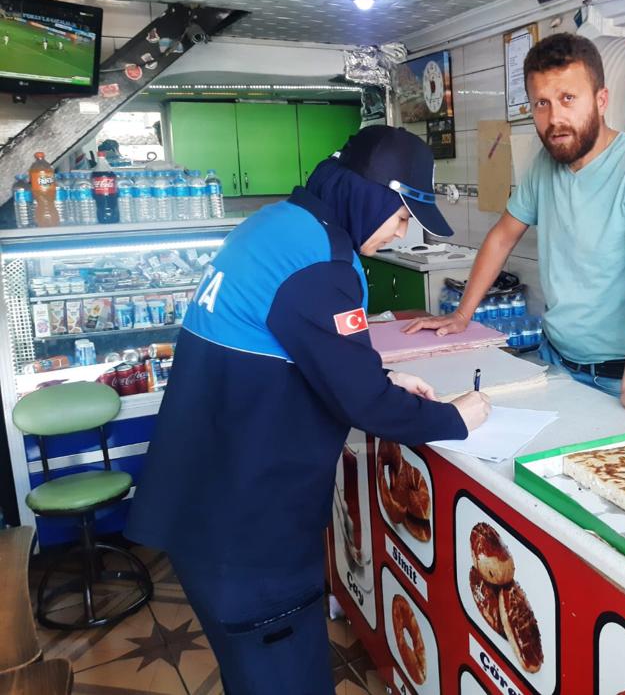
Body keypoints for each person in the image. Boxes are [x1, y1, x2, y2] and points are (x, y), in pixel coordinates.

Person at [126, 126, 491, 695]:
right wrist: (456, 417)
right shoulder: (320, 263)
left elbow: (295, 350)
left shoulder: (278, 225)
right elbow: (362, 402)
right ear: (372, 195)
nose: (401, 232)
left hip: (205, 512)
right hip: (250, 535)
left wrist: (384, 373)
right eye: (400, 216)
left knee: (253, 676)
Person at [405, 33, 625, 421]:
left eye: (568, 99)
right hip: (554, 357)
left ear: (601, 100)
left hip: (619, 376)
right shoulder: (543, 164)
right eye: (542, 103)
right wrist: (463, 314)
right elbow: (502, 235)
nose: (555, 119)